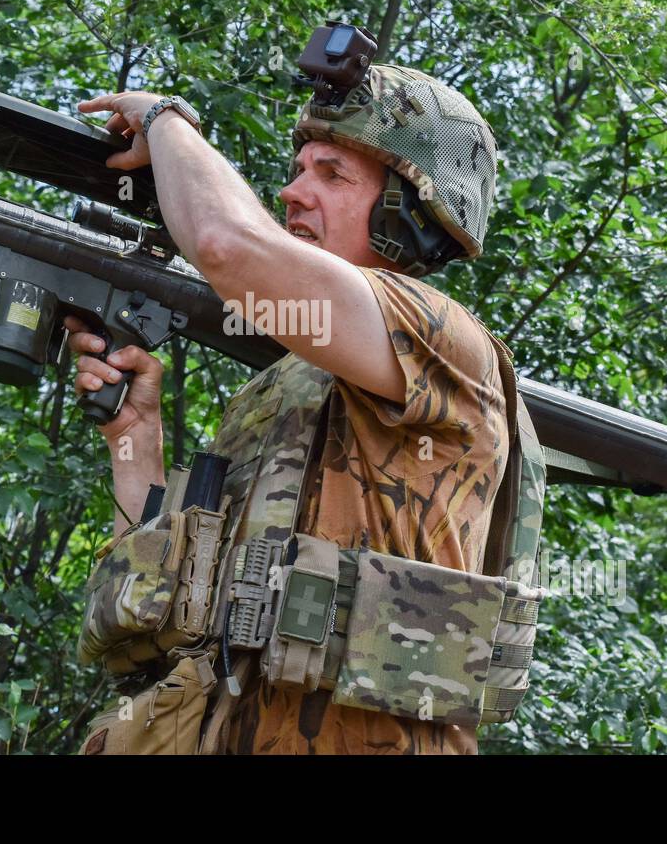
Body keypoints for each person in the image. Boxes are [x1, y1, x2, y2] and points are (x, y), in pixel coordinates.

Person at [67, 62, 514, 754]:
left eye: (332, 176)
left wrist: (166, 120)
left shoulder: (444, 340)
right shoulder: (282, 390)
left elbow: (226, 245)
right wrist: (134, 437)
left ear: (407, 211)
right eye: (300, 168)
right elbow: (170, 608)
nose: (292, 192)